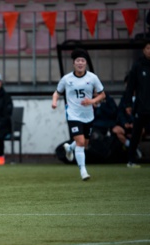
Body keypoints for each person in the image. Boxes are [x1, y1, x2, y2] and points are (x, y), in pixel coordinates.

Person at [52, 48, 106, 181]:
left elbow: (102, 95)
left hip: (88, 116)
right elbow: (57, 92)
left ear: (86, 63)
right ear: (73, 63)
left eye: (82, 60)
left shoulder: (92, 78)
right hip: (73, 115)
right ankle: (83, 171)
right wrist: (54, 102)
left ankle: (70, 148)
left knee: (84, 143)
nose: (80, 63)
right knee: (81, 142)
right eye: (78, 61)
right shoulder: (66, 79)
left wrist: (92, 101)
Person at [124, 39, 150, 167]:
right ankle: (131, 160)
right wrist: (128, 104)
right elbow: (130, 87)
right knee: (136, 135)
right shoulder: (137, 66)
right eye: (148, 48)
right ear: (144, 50)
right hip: (141, 107)